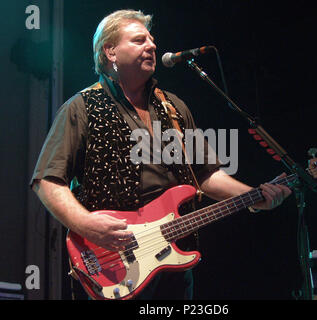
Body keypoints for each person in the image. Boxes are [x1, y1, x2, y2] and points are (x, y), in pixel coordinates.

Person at [30, 9, 292, 300]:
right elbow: (47, 181)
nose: (152, 46)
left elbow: (206, 175)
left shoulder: (174, 107)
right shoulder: (81, 107)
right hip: (112, 261)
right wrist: (86, 224)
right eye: (139, 40)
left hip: (173, 260)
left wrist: (255, 196)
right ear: (110, 51)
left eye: (152, 40)